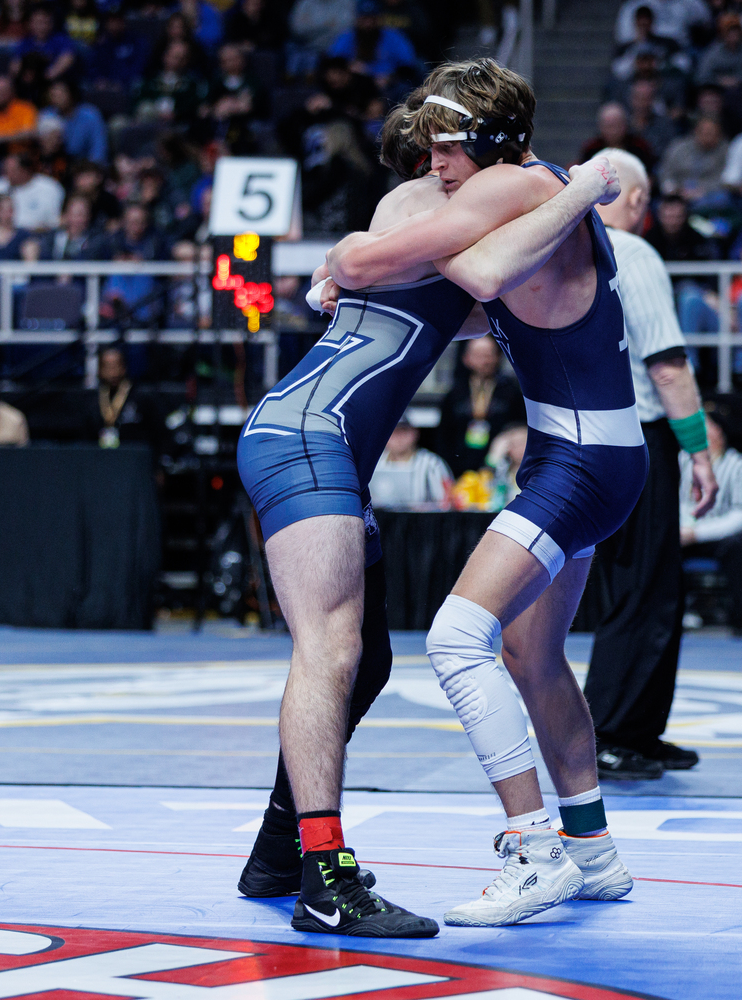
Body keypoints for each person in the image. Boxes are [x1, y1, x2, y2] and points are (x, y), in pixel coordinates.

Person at [234, 91, 625, 936]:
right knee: (330, 650)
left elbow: (483, 301)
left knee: (365, 659)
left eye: (447, 150)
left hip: (324, 441)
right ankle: (322, 875)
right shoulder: (432, 209)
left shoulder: (462, 222)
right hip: (308, 435)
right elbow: (376, 262)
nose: (438, 165)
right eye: (430, 150)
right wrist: (576, 187)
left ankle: (276, 851)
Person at [578, 148, 717, 781]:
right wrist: (699, 449)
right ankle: (607, 731)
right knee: (644, 588)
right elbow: (666, 363)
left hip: (580, 437)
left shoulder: (559, 249)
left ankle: (638, 727)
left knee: (645, 585)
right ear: (635, 200)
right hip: (639, 435)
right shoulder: (633, 253)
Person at [681, 414, 742, 635]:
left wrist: (697, 533)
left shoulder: (738, 465)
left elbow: (740, 517)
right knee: (661, 543)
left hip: (716, 535)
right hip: (684, 530)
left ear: (719, 433)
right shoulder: (683, 460)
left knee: (735, 547)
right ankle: (668, 613)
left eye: (708, 427)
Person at [438, 336, 525, 476]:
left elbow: (519, 429)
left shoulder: (511, 392)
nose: (484, 361)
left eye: (488, 355)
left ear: (498, 357)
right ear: (466, 358)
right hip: (459, 465)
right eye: (478, 355)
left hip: (500, 466)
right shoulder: (455, 393)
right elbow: (443, 435)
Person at [368, 421, 454, 507]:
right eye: (394, 432)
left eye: (404, 431)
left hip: (421, 519)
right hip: (381, 518)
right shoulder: (374, 463)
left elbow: (447, 503)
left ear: (415, 433)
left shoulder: (432, 464)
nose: (399, 437)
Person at [85, 347, 153, 448]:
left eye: (116, 366)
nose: (113, 373)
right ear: (100, 370)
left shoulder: (140, 397)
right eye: (108, 367)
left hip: (133, 458)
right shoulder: (92, 400)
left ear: (124, 368)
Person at [0, 152, 65, 233]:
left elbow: (55, 222)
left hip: (38, 236)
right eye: (5, 170)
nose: (6, 174)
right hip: (3, 235)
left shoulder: (50, 188)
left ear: (25, 170)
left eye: (12, 171)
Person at [656, 115, 727, 204]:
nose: (707, 137)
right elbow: (665, 172)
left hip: (707, 196)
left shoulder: (725, 151)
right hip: (677, 195)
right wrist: (674, 189)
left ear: (719, 135)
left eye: (712, 133)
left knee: (721, 198)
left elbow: (724, 179)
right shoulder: (678, 147)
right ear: (696, 131)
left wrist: (701, 191)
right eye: (704, 132)